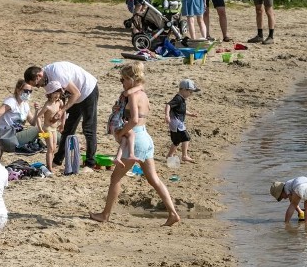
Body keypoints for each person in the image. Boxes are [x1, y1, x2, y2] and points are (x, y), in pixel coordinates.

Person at [91, 63, 181, 226]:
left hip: (137, 138)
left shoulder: (133, 96)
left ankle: (105, 215)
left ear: (130, 79)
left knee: (115, 178)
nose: (122, 83)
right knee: (154, 179)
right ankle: (173, 213)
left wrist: (120, 132)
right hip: (146, 137)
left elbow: (133, 120)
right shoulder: (143, 94)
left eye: (123, 80)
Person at [24, 62, 99, 169]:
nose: (38, 87)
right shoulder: (46, 81)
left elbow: (76, 93)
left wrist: (62, 111)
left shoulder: (57, 73)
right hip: (74, 96)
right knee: (68, 128)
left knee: (88, 128)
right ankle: (57, 160)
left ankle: (90, 164)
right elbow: (59, 98)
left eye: (36, 84)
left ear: (39, 76)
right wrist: (61, 118)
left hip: (87, 90)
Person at [0, 78, 41, 147]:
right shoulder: (11, 101)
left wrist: (36, 111)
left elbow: (33, 123)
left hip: (16, 134)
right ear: (18, 90)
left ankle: (57, 142)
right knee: (42, 129)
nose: (28, 93)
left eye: (30, 91)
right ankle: (59, 143)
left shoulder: (25, 105)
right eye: (26, 91)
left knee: (46, 130)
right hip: (7, 135)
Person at [165, 79, 199, 162]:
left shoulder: (181, 99)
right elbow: (168, 105)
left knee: (176, 141)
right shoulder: (178, 98)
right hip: (177, 124)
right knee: (186, 138)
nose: (191, 94)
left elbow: (182, 110)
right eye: (190, 92)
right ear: (183, 89)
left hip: (175, 124)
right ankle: (184, 156)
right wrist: (166, 115)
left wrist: (191, 114)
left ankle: (169, 155)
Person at [36, 80, 67, 173]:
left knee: (54, 148)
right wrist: (40, 129)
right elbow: (38, 117)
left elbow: (64, 111)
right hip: (47, 129)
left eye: (58, 92)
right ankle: (50, 167)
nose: (57, 95)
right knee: (50, 148)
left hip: (54, 128)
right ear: (49, 94)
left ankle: (50, 165)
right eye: (54, 93)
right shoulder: (47, 105)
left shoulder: (59, 102)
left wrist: (62, 123)